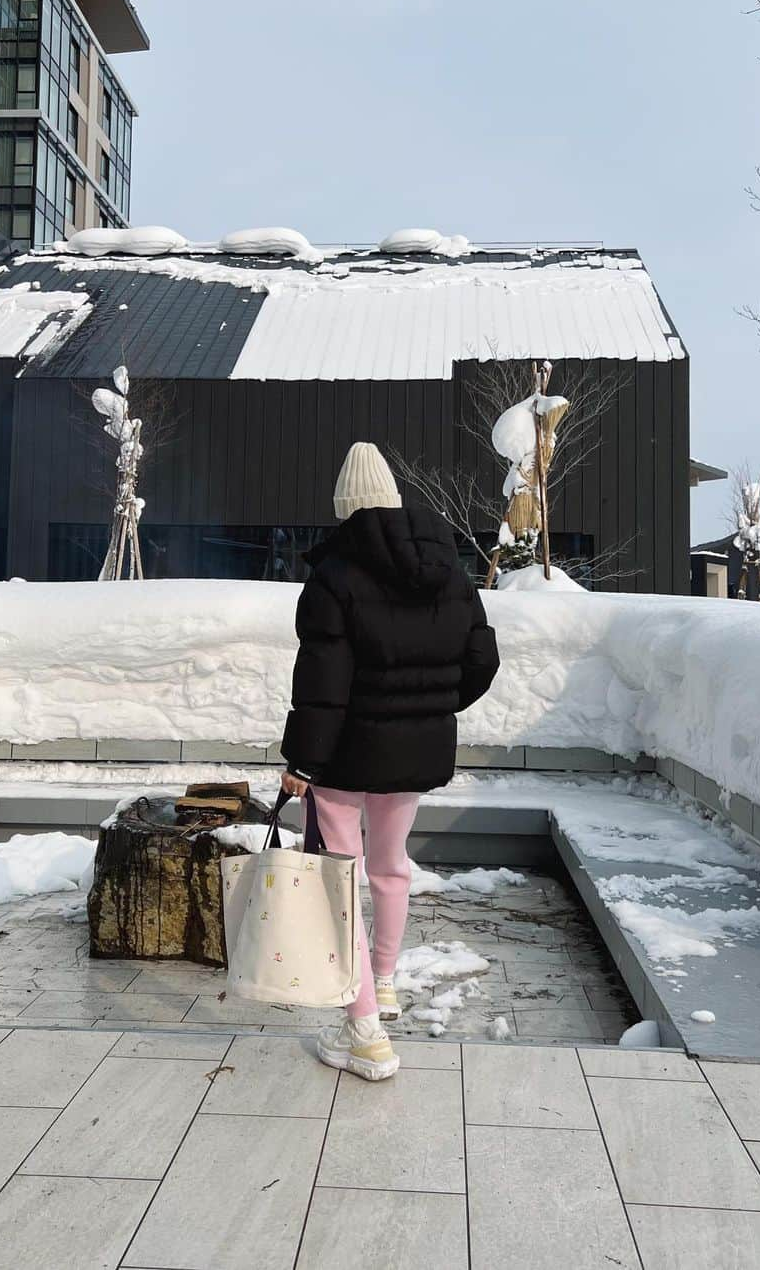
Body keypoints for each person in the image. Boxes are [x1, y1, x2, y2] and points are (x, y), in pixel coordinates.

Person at [280, 441, 500, 1081]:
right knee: (390, 869)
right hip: (415, 749)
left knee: (339, 882)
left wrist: (303, 761)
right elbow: (481, 660)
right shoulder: (447, 566)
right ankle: (383, 981)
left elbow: (324, 681)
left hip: (346, 758)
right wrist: (429, 705)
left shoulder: (334, 574)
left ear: (343, 508)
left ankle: (365, 1032)